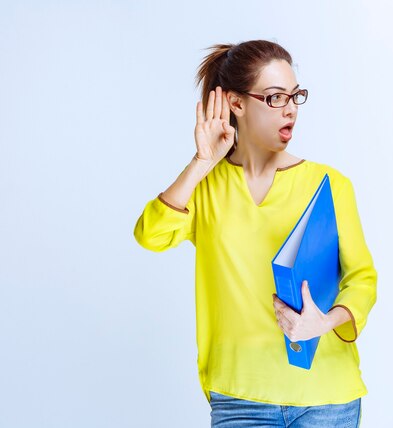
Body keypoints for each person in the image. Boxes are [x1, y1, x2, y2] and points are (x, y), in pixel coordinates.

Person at [133, 39, 377, 427]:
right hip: (239, 396)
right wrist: (201, 162)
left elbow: (362, 279)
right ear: (236, 103)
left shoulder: (330, 183)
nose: (291, 109)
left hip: (326, 397)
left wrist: (325, 322)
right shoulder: (207, 186)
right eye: (275, 97)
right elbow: (151, 235)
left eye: (295, 96)